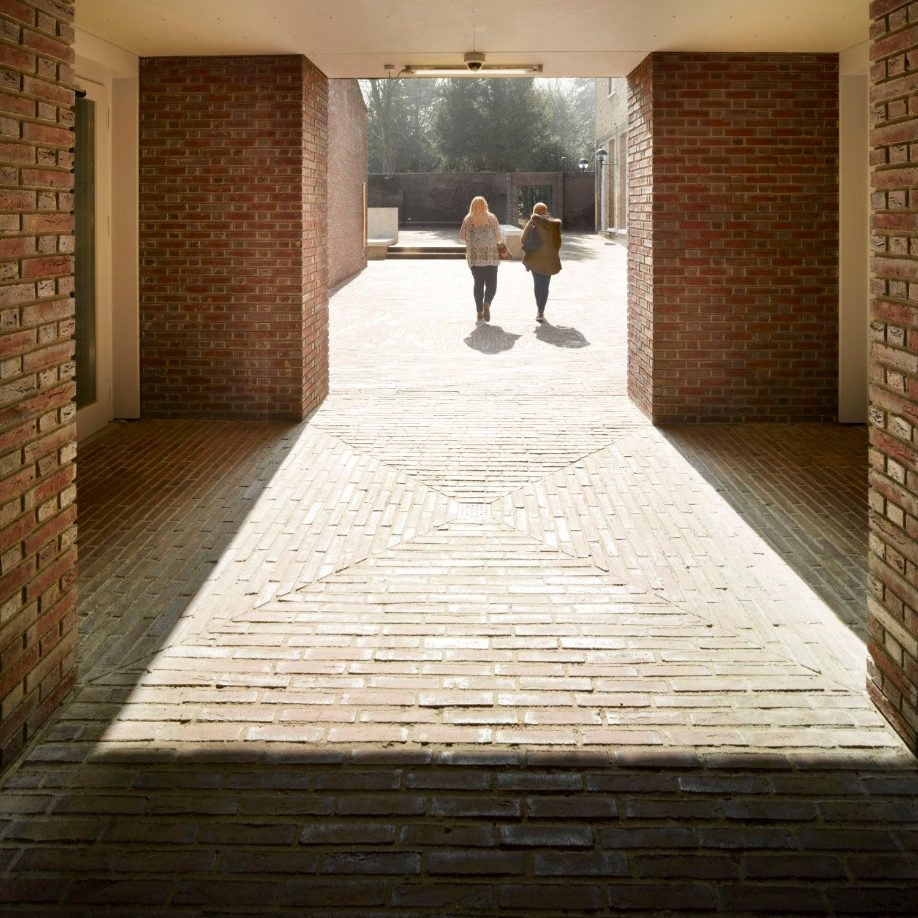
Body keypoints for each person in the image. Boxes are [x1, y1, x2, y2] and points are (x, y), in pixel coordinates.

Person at [459, 196, 503, 322]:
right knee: (492, 284)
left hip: (474, 258)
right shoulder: (492, 217)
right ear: (485, 205)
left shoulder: (468, 219)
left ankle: (479, 312)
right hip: (491, 257)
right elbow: (499, 236)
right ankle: (487, 303)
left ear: (472, 206)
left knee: (478, 284)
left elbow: (462, 236)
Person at [520, 202, 562, 322]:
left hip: (535, 258)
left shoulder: (533, 222)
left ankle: (539, 310)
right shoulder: (554, 223)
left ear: (535, 211)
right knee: (545, 285)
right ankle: (541, 310)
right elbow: (558, 243)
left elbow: (523, 240)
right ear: (546, 211)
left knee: (537, 284)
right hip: (549, 258)